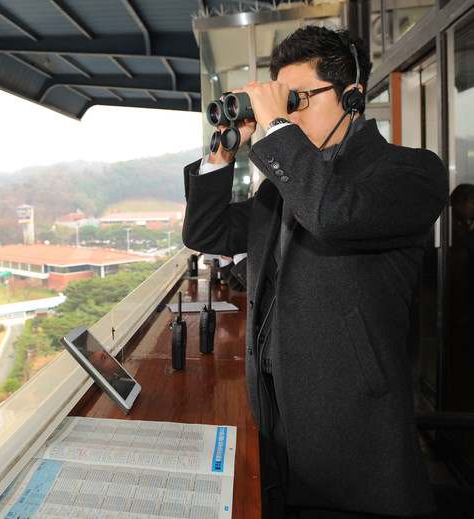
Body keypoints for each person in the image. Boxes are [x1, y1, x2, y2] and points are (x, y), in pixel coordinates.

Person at [182, 26, 448, 518]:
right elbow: (206, 232)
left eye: (299, 99)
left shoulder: (410, 171)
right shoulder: (280, 189)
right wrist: (224, 151)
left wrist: (277, 127)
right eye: (283, 102)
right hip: (274, 406)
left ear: (352, 97)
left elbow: (332, 214)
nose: (288, 114)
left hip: (349, 425)